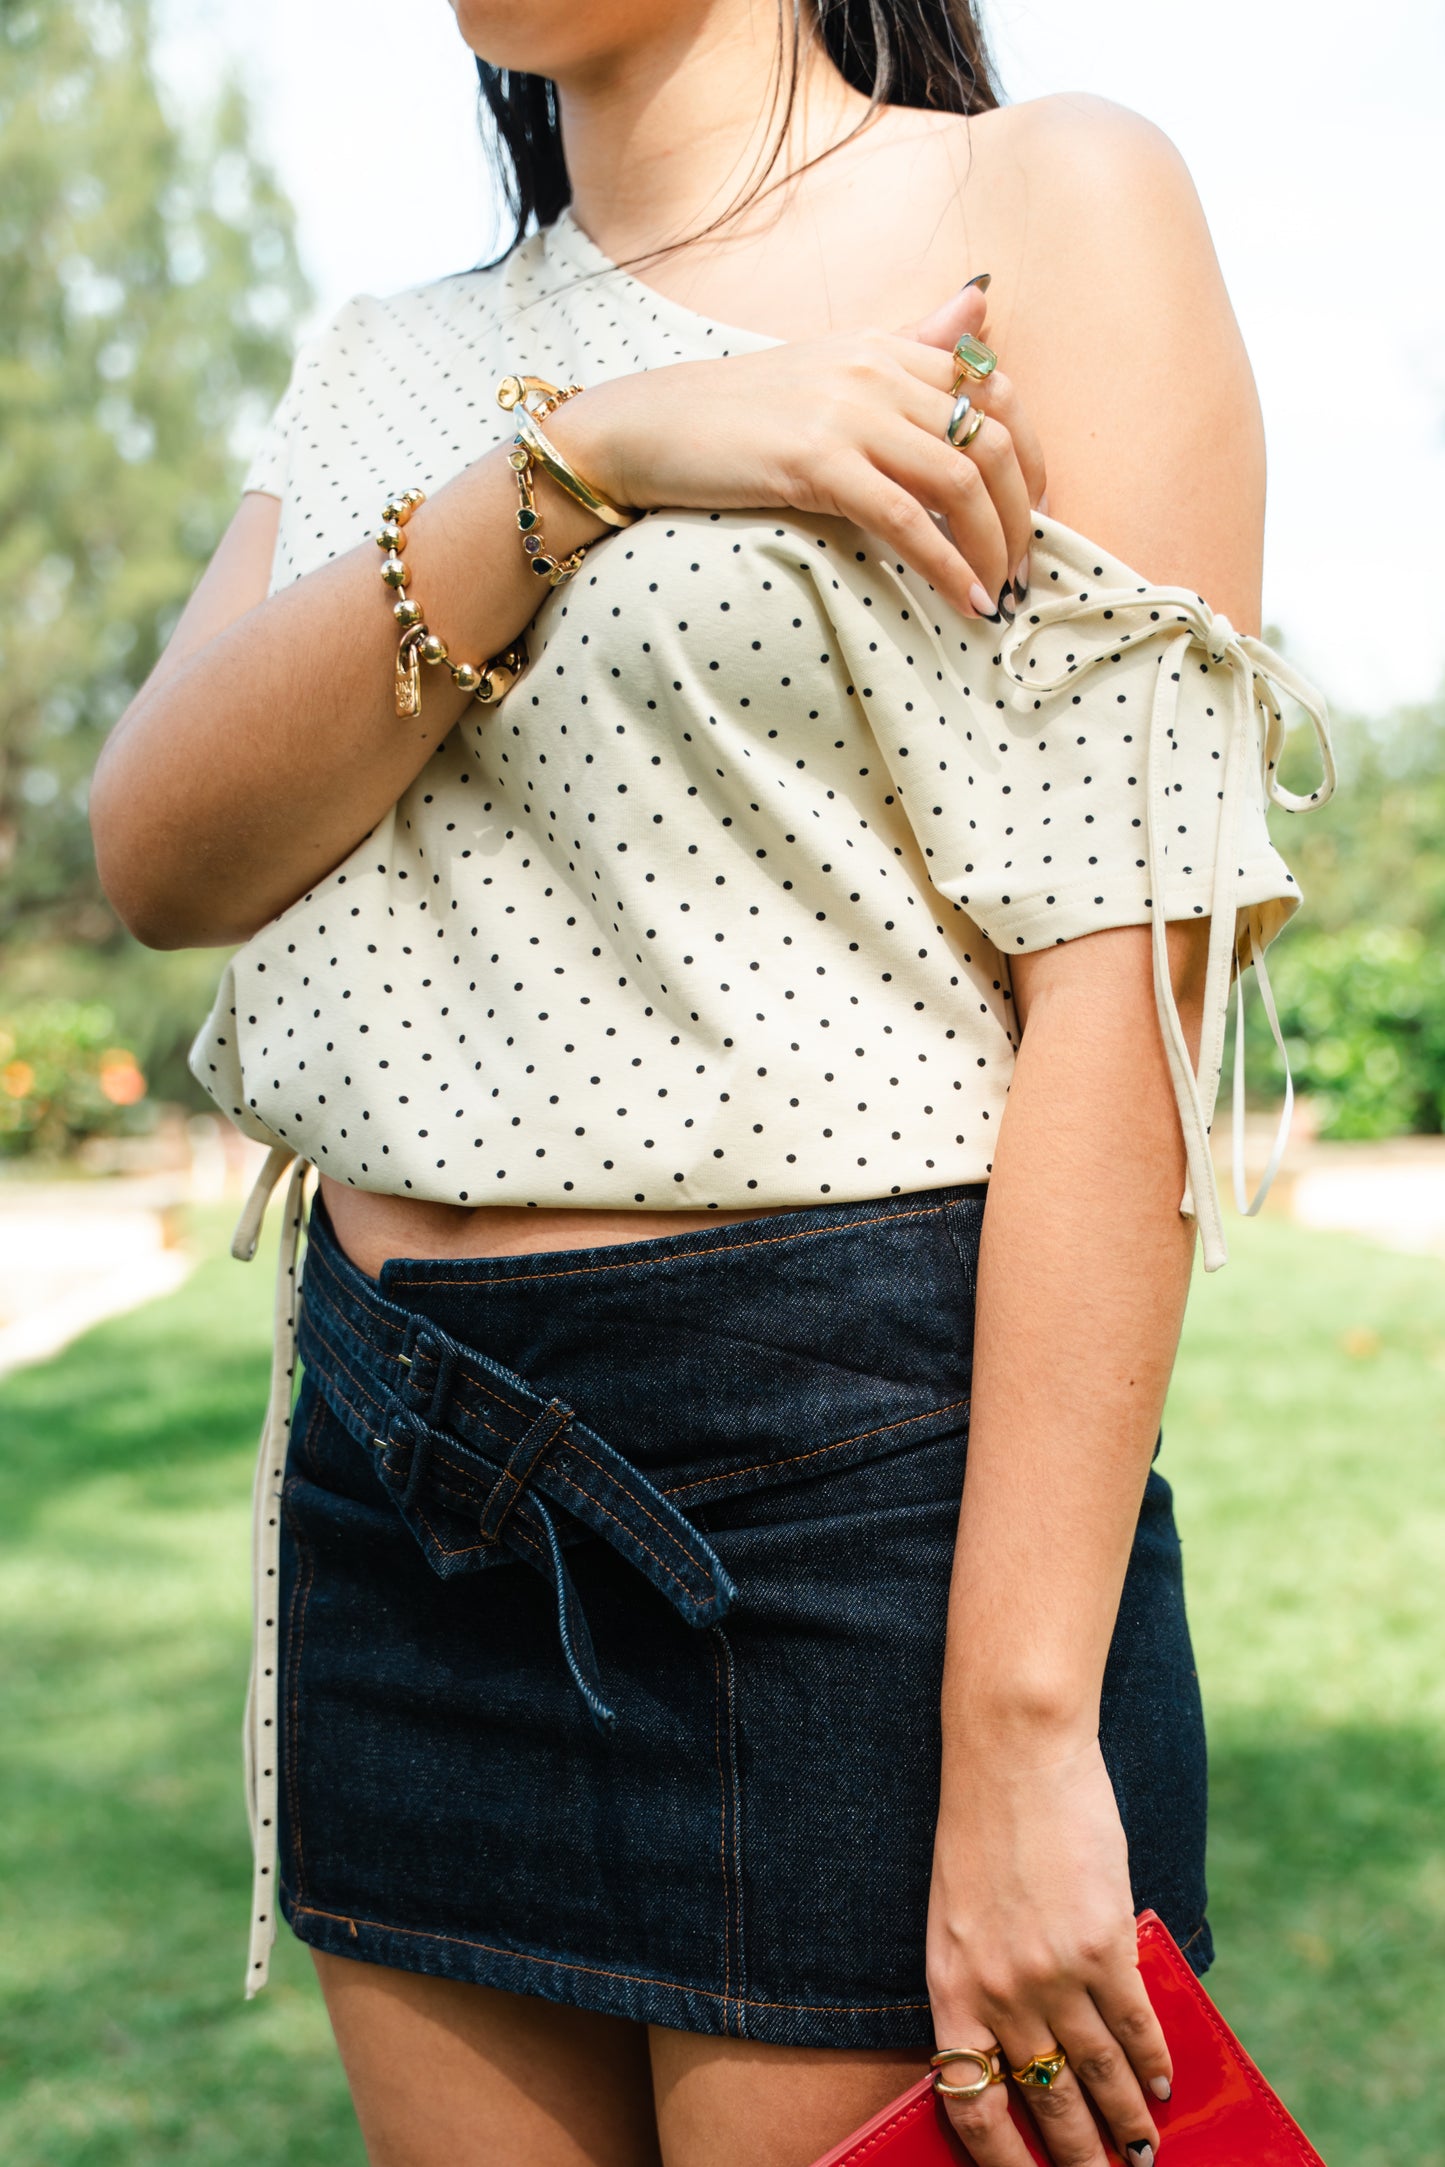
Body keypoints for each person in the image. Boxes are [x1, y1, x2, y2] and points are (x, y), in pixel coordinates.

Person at [90, 3, 1333, 2163]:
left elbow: (1125, 1000)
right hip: (401, 1485)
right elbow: (163, 849)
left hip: (845, 1507)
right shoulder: (397, 354)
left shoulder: (1035, 205)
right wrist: (591, 459)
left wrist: (1030, 1727)